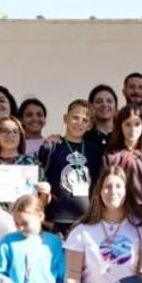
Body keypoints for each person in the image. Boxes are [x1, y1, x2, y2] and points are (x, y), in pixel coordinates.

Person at [0, 194, 66, 283]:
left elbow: (62, 276)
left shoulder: (54, 243)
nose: (20, 227)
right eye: (16, 223)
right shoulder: (7, 243)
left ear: (40, 217)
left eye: (25, 223)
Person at [40, 99, 103, 237]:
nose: (79, 123)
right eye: (75, 118)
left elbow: (98, 183)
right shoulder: (52, 147)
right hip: (55, 220)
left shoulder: (94, 151)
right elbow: (40, 178)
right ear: (65, 119)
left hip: (85, 220)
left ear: (90, 125)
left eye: (85, 120)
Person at [0, 115, 44, 209]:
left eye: (15, 131)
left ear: (21, 136)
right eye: (4, 131)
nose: (10, 135)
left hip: (24, 219)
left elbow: (43, 201)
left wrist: (45, 193)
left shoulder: (32, 163)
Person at [104, 104, 142, 212]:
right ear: (120, 126)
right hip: (121, 210)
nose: (133, 129)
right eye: (127, 124)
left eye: (137, 124)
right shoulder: (111, 155)